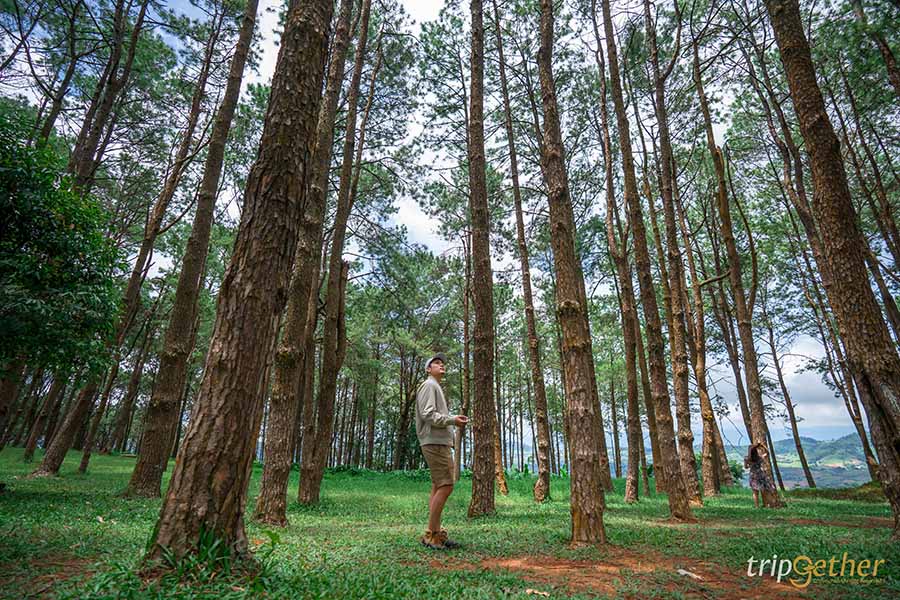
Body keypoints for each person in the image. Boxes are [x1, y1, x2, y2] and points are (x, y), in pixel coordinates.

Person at [415, 352, 468, 550]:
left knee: (438, 485)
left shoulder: (434, 386)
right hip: (434, 441)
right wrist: (452, 420)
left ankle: (435, 532)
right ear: (428, 369)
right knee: (446, 485)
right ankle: (432, 534)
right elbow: (428, 414)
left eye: (442, 363)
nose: (441, 365)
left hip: (437, 441)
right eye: (436, 363)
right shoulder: (429, 385)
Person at [744, 442, 776, 508]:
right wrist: (763, 446)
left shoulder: (746, 459)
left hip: (753, 475)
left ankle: (757, 506)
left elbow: (746, 467)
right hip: (761, 475)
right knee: (763, 491)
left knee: (755, 492)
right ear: (756, 451)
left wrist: (749, 465)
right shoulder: (759, 457)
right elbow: (767, 453)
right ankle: (766, 505)